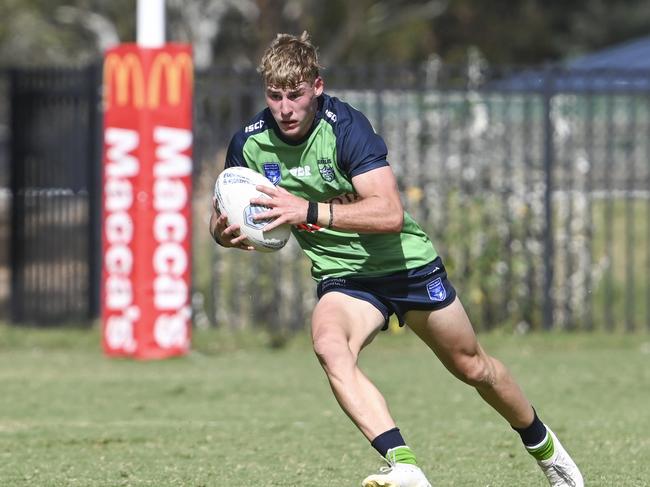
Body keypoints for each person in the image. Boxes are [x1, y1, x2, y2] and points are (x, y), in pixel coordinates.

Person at [209, 31, 584, 487]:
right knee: (330, 347)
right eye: (274, 96)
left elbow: (389, 213)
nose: (285, 108)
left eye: (295, 95)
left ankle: (545, 448)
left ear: (317, 87)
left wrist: (305, 209)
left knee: (473, 367)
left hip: (406, 266)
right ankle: (404, 466)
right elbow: (221, 217)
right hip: (345, 278)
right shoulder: (249, 144)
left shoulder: (347, 128)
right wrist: (227, 233)